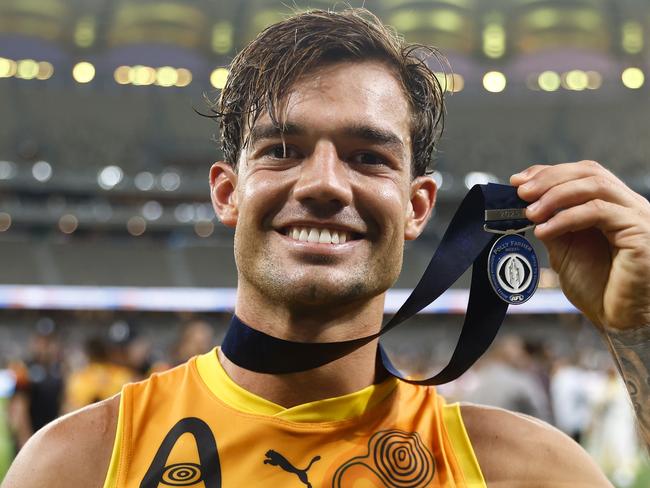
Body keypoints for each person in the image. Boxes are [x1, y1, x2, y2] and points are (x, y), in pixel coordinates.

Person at [3, 8, 650, 487]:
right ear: (227, 193)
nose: (323, 184)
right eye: (282, 151)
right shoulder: (78, 465)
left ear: (417, 206)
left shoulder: (523, 471)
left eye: (368, 157)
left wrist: (641, 329)